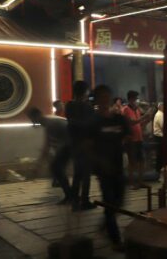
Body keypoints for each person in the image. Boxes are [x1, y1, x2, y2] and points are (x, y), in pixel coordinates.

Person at [90, 85, 131, 251]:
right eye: (101, 97)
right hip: (104, 170)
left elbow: (127, 134)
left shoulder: (118, 119)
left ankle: (104, 224)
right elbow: (89, 146)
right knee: (110, 203)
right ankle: (115, 240)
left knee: (119, 202)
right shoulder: (94, 122)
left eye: (107, 96)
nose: (105, 99)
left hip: (118, 166)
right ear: (97, 100)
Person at [28, 104, 72, 204]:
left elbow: (47, 146)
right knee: (57, 168)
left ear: (37, 116)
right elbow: (47, 146)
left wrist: (38, 166)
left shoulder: (50, 123)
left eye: (32, 118)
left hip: (70, 144)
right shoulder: (48, 122)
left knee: (56, 168)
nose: (32, 121)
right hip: (68, 145)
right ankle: (70, 195)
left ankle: (70, 195)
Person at [66, 81, 96, 211]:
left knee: (77, 174)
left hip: (74, 143)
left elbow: (70, 122)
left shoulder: (69, 105)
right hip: (86, 143)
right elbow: (91, 125)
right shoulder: (87, 107)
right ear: (85, 92)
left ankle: (74, 202)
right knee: (86, 174)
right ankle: (84, 200)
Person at [122, 90, 153, 189]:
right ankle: (132, 183)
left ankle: (140, 181)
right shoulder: (126, 109)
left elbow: (139, 124)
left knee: (141, 161)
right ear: (130, 99)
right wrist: (144, 117)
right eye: (134, 99)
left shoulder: (137, 110)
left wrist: (147, 119)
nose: (136, 101)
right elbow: (132, 122)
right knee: (132, 162)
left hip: (139, 138)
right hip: (131, 140)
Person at [152, 102, 164, 174]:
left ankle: (159, 170)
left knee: (160, 155)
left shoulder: (160, 114)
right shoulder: (160, 115)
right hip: (160, 137)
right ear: (160, 107)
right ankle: (159, 171)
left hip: (159, 137)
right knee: (160, 155)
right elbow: (163, 126)